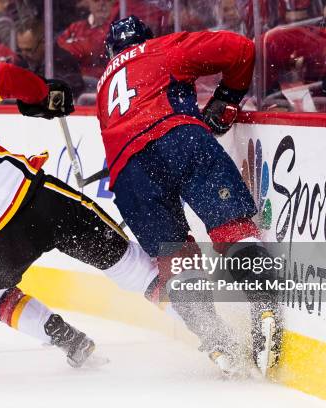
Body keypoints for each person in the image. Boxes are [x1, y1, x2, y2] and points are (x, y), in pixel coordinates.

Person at [0, 62, 219, 370]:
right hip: (42, 199)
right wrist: (39, 93)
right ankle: (218, 338)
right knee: (135, 268)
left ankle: (64, 337)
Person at [95, 16, 282, 376]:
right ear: (145, 39)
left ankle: (215, 340)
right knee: (231, 229)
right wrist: (227, 99)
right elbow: (241, 49)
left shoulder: (103, 87)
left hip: (129, 173)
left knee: (175, 261)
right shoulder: (160, 47)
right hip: (177, 137)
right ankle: (265, 305)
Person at [16, 18, 85, 97]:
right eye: (20, 50)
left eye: (29, 50)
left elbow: (70, 92)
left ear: (44, 42)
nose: (24, 55)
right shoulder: (22, 64)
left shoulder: (63, 61)